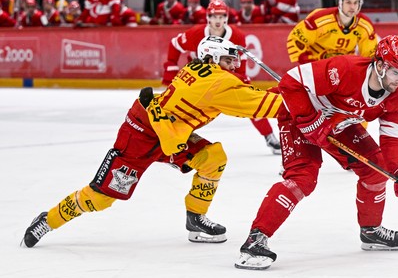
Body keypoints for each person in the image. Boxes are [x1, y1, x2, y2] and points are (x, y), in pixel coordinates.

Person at [21, 36, 283, 249]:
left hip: (167, 128)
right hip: (141, 135)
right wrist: (302, 95)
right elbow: (261, 104)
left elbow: (244, 95)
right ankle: (49, 219)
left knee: (213, 158)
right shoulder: (219, 83)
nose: (235, 66)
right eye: (229, 60)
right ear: (213, 57)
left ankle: (195, 218)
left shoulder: (203, 70)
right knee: (100, 199)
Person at [235, 35, 398, 270]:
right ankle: (255, 240)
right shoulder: (345, 69)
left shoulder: (397, 95)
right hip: (299, 115)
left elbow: (392, 138)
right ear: (381, 66)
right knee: (303, 178)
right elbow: (290, 82)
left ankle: (371, 231)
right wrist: (310, 120)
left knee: (377, 170)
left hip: (337, 122)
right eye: (397, 73)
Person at [162, 0, 282, 154]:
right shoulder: (196, 33)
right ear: (207, 18)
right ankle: (172, 133)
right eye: (213, 16)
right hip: (199, 78)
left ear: (226, 17)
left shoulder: (237, 36)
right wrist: (171, 66)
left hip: (222, 78)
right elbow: (174, 44)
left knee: (248, 99)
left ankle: (269, 136)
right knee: (187, 108)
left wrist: (242, 79)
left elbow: (240, 65)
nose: (217, 21)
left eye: (221, 16)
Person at [288, 0, 377, 64]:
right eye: (348, 2)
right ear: (339, 2)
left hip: (344, 67)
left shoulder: (365, 25)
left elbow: (370, 55)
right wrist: (307, 63)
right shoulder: (319, 19)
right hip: (317, 64)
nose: (352, 7)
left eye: (356, 2)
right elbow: (296, 38)